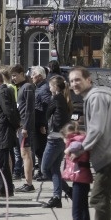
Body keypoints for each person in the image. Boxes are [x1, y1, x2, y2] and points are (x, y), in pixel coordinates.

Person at [65, 66, 111, 220]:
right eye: (71, 81)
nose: (74, 84)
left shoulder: (96, 97)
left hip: (107, 155)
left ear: (88, 80)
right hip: (106, 153)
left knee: (99, 198)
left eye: (78, 79)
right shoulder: (97, 96)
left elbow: (98, 129)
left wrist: (80, 148)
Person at [40, 75, 72, 209]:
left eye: (51, 85)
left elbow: (47, 113)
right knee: (54, 169)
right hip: (60, 138)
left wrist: (44, 125)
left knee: (45, 169)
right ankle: (57, 197)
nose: (49, 87)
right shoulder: (64, 99)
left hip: (54, 138)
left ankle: (67, 192)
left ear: (56, 87)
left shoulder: (56, 98)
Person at [0, 71, 20, 199]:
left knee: (2, 162)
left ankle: (6, 189)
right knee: (1, 161)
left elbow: (10, 112)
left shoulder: (2, 92)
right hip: (0, 131)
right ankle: (3, 187)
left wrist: (15, 126)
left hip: (3, 132)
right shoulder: (0, 92)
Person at [62, 122, 93, 220]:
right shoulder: (82, 139)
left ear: (67, 135)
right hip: (83, 178)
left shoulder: (75, 141)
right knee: (84, 210)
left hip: (79, 179)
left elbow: (75, 145)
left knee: (77, 212)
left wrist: (67, 149)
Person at [10, 65, 36, 193]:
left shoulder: (28, 87)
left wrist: (25, 127)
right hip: (20, 126)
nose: (13, 78)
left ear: (22, 74)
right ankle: (27, 181)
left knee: (26, 154)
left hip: (25, 127)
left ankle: (28, 183)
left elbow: (30, 110)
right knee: (22, 153)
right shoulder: (20, 88)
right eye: (12, 76)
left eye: (15, 75)